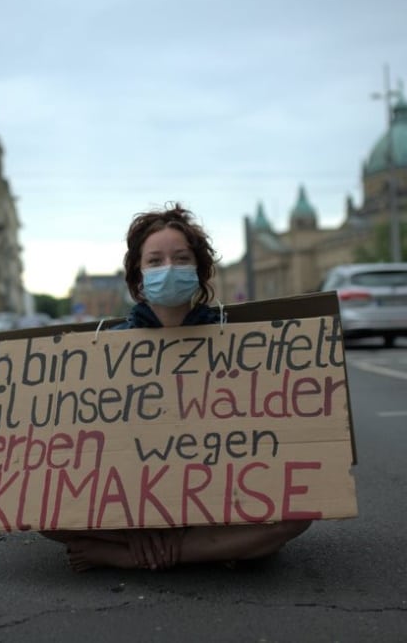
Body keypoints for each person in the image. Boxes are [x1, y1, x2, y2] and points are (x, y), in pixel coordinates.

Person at [41, 203, 312, 571]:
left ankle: (136, 555)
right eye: (154, 261)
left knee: (299, 513)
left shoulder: (242, 345)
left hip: (217, 498)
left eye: (181, 258)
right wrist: (132, 521)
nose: (168, 269)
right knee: (37, 508)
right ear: (138, 277)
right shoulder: (103, 352)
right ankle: (193, 548)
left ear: (199, 271)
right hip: (126, 501)